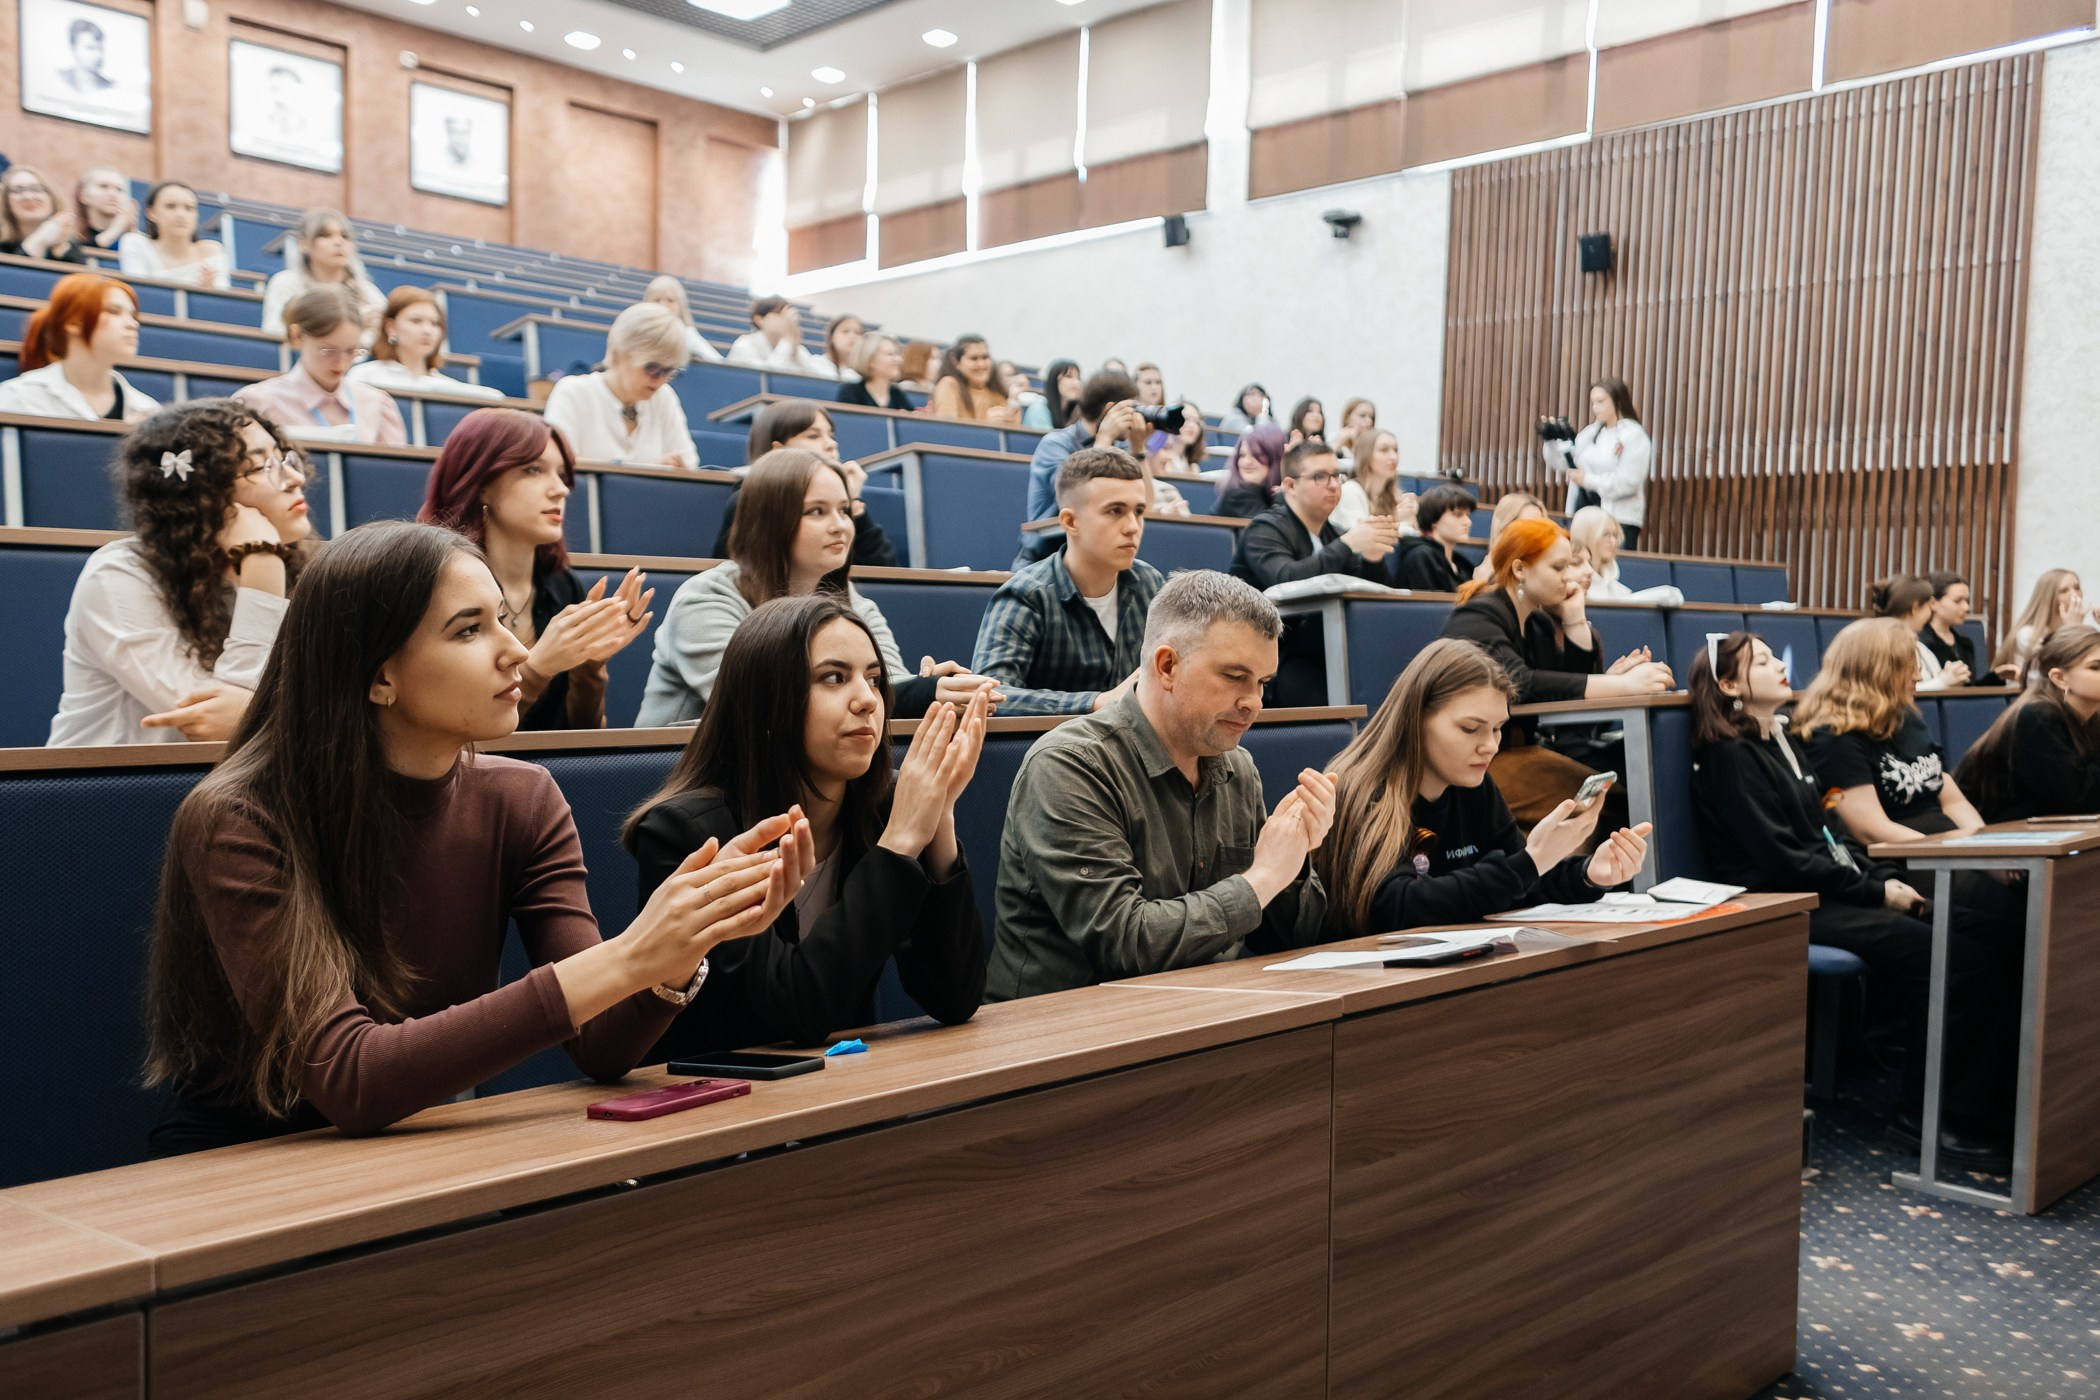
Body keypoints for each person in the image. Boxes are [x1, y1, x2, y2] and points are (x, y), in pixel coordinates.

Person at [140, 520, 802, 1152]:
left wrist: (680, 947)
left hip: (420, 1146)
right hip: (251, 1165)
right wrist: (630, 957)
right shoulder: (238, 817)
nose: (515, 650)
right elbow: (350, 1077)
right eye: (469, 630)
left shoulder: (522, 796)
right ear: (379, 676)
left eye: (504, 622)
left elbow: (602, 1047)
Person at [1688, 630, 2006, 1159]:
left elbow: (1826, 838)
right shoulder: (1729, 756)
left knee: (1985, 936)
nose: (1779, 665)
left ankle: (1980, 1104)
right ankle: (1925, 1121)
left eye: (1774, 655)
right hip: (1780, 903)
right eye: (1761, 661)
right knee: (1952, 958)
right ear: (1727, 685)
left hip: (1824, 890)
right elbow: (1783, 861)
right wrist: (1876, 893)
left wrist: (1878, 882)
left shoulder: (1780, 740)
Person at [626, 595, 989, 1056]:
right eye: (833, 678)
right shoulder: (688, 837)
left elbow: (954, 997)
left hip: (846, 1097)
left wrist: (939, 816)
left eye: (874, 680)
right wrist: (898, 844)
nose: (866, 701)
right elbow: (798, 1011)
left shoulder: (884, 809)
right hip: (718, 1104)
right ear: (769, 699)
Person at [986, 570, 1336, 999]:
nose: (1254, 702)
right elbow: (1126, 944)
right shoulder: (1070, 765)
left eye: (1262, 683)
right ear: (1167, 666)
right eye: (1233, 676)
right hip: (1063, 1035)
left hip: (1201, 1014)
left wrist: (1293, 861)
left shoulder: (1237, 767)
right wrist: (1262, 878)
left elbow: (1286, 942)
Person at [637, 449, 996, 724]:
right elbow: (761, 705)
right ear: (770, 523)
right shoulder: (705, 600)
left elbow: (888, 689)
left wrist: (933, 688)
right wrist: (914, 694)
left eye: (844, 510)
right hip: (684, 783)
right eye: (817, 512)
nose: (840, 525)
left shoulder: (853, 604)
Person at [1319, 639, 1649, 934]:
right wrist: (1529, 862)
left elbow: (1518, 880)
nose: (1489, 746)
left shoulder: (1475, 784)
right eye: (1470, 729)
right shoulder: (1365, 790)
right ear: (1415, 719)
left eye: (1497, 729)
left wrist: (1588, 872)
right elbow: (1397, 907)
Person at [49, 400, 313, 746]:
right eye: (261, 466)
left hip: (237, 791)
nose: (296, 478)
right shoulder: (118, 576)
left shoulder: (306, 568)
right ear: (202, 495)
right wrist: (261, 564)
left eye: (284, 458)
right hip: (108, 790)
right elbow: (209, 723)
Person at [418, 408, 652, 730]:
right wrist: (538, 667)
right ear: (481, 483)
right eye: (532, 470)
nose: (561, 489)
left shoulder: (563, 588)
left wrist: (590, 667)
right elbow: (461, 742)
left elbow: (581, 740)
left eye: (561, 474)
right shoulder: (439, 586)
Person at [1442, 518, 1672, 823]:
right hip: (1469, 760)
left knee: (1621, 793)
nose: (1570, 579)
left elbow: (1566, 701)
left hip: (1512, 752)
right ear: (1520, 569)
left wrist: (1575, 618)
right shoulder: (1479, 615)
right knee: (1615, 802)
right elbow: (1519, 683)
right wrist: (1620, 686)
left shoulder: (1535, 624)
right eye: (1558, 568)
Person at [973, 448, 1165, 716]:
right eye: (1115, 511)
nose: (1132, 526)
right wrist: (1096, 702)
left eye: (1139, 511)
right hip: (1053, 752)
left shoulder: (1150, 584)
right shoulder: (1027, 594)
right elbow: (990, 695)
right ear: (1070, 521)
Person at [1231, 440, 1402, 706]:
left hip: (1324, 652)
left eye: (1337, 476)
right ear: (1290, 485)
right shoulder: (1264, 530)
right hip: (1270, 657)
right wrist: (1347, 546)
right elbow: (1285, 578)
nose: (1334, 485)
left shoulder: (1333, 533)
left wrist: (1373, 559)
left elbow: (1372, 595)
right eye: (1320, 477)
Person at [1796, 619, 1986, 844]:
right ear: (1877, 674)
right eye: (1908, 668)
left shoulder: (1907, 717)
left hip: (1946, 847)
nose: (1918, 677)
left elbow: (1953, 802)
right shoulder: (1834, 737)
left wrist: (1987, 849)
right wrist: (1954, 855)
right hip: (1903, 856)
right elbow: (1870, 830)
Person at [711, 399, 897, 567]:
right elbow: (739, 574)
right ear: (778, 450)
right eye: (813, 436)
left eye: (831, 435)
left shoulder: (840, 499)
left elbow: (885, 573)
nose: (832, 444)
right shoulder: (751, 498)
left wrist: (852, 504)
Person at [1957, 625, 2100, 823]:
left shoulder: (2091, 718)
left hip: (2044, 829)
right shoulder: (2038, 717)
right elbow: (2076, 798)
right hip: (1997, 834)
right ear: (2059, 678)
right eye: (2095, 667)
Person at [234, 285, 407, 446]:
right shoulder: (258, 403)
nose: (341, 363)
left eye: (352, 351)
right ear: (297, 336)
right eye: (328, 351)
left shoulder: (377, 404)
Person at [541, 303, 698, 468]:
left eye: (669, 371)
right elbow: (558, 465)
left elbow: (689, 465)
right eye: (652, 368)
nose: (661, 380)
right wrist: (647, 471)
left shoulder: (665, 397)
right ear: (620, 354)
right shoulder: (572, 392)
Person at [1016, 369, 1148, 565]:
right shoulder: (1055, 444)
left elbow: (1146, 503)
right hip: (1048, 558)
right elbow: (1077, 496)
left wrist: (1139, 448)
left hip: (1100, 556)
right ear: (1110, 410)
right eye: (1132, 409)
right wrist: (1104, 438)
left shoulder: (1120, 447)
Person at [0, 272, 157, 421]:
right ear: (73, 322)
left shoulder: (148, 410)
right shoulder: (17, 398)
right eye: (114, 311)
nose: (133, 324)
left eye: (132, 315)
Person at [1544, 376, 1650, 549]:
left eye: (1600, 401)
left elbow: (1628, 481)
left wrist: (1587, 480)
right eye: (1593, 402)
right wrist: (1551, 440)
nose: (1595, 407)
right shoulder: (1591, 432)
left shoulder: (1634, 435)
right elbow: (1566, 463)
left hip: (1618, 519)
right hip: (1583, 514)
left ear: (1618, 401)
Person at [346, 286, 502, 400]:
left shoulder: (446, 385)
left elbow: (496, 398)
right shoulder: (364, 375)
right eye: (416, 321)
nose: (427, 330)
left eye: (434, 323)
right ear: (391, 327)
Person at [262, 208, 383, 340]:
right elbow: (275, 332)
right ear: (304, 244)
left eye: (345, 236)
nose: (338, 242)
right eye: (325, 235)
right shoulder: (285, 283)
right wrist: (355, 325)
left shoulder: (367, 291)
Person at [118, 180, 231, 287]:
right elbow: (140, 292)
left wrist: (209, 291)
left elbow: (222, 301)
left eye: (189, 208)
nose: (181, 214)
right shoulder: (136, 243)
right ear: (151, 213)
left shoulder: (212, 251)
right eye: (170, 206)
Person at [1991, 568, 2096, 684]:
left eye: (2077, 588)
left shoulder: (2079, 630)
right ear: (2049, 598)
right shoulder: (2028, 634)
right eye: (2064, 591)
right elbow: (2063, 671)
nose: (2074, 595)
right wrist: (2073, 629)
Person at [1872, 574, 1971, 690]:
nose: (1932, 610)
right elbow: (1895, 691)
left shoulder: (1920, 647)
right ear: (1915, 608)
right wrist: (1943, 681)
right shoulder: (1884, 645)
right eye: (1929, 605)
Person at [1919, 571, 2002, 688]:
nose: (1966, 607)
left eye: (1966, 601)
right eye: (1957, 601)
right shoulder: (1920, 643)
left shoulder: (1965, 642)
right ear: (1933, 603)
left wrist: (1996, 677)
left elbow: (1968, 689)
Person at [1391, 484, 1477, 592]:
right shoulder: (1420, 556)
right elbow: (1434, 606)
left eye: (1468, 515)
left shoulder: (1460, 563)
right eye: (1457, 514)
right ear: (1433, 519)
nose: (1468, 522)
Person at [1330, 428, 1415, 535]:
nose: (1393, 457)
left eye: (1395, 450)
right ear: (1366, 455)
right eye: (1384, 450)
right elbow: (1362, 540)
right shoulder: (1351, 491)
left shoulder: (1395, 494)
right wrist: (1399, 521)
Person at [727, 294, 833, 376]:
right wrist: (786, 339)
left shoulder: (797, 348)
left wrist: (794, 348)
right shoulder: (744, 344)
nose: (787, 320)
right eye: (779, 314)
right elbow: (766, 379)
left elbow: (817, 377)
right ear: (759, 319)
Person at [0, 164, 87, 262]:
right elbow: (11, 276)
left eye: (37, 189)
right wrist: (39, 241)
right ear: (6, 202)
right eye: (18, 190)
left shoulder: (66, 245)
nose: (28, 196)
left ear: (52, 199)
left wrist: (62, 253)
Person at [929, 334, 1021, 424]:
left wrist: (1013, 402)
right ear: (956, 363)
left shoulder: (997, 395)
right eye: (974, 358)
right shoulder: (949, 384)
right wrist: (986, 425)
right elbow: (947, 430)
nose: (981, 364)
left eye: (985, 357)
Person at [641, 275, 726, 362]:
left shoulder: (688, 334)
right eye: (656, 300)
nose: (663, 305)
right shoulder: (638, 332)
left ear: (680, 306)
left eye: (670, 300)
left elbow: (717, 361)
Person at [1213, 424, 1286, 520]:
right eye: (1242, 455)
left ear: (1276, 458)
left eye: (1257, 455)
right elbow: (1269, 528)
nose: (1246, 462)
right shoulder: (1239, 494)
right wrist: (1282, 499)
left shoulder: (1266, 491)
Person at [1471, 491, 1548, 582]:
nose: (1536, 532)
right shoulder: (1484, 572)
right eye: (1527, 525)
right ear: (1503, 528)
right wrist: (1481, 584)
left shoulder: (1545, 568)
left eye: (1540, 526)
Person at [838, 332, 912, 411]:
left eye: (898, 354)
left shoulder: (897, 394)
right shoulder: (851, 391)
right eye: (890, 354)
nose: (898, 360)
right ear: (871, 360)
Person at [73, 166, 135, 251]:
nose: (113, 194)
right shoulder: (69, 238)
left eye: (119, 189)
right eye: (103, 186)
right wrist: (115, 230)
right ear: (83, 195)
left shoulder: (137, 243)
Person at [60, 17, 115, 92]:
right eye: (90, 48)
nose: (98, 55)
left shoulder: (111, 86)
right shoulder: (60, 78)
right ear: (73, 48)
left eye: (100, 49)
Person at [1025, 359, 1082, 430]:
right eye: (1069, 376)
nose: (1076, 382)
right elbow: (1051, 440)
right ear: (1054, 380)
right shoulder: (1037, 409)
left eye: (1078, 378)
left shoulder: (1076, 412)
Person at [1332, 397, 1376, 465]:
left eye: (1371, 417)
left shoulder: (1376, 444)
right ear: (1347, 418)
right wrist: (1339, 442)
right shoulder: (1334, 438)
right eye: (1362, 415)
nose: (1369, 421)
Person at [821, 314, 864, 381]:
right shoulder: (817, 363)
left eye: (857, 332)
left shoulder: (866, 374)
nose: (852, 336)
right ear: (832, 337)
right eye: (845, 331)